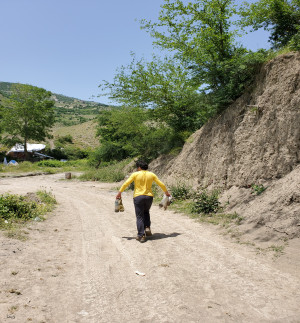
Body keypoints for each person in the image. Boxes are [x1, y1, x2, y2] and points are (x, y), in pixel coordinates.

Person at [116, 160, 170, 243]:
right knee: (146, 212)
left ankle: (141, 235)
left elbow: (126, 183)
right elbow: (161, 184)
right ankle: (147, 226)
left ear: (139, 167)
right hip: (149, 197)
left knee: (139, 216)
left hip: (138, 197)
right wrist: (166, 192)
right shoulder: (151, 174)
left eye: (137, 167)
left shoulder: (135, 174)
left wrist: (120, 192)